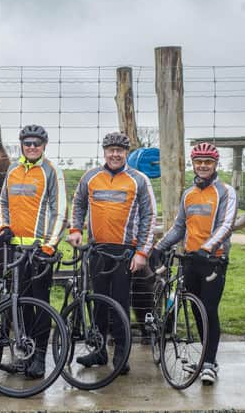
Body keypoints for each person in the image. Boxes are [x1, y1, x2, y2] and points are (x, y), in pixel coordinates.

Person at [67, 132, 157, 375]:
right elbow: (78, 203)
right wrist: (75, 228)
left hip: (125, 253)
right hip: (97, 250)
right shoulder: (91, 177)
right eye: (111, 150)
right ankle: (98, 351)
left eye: (120, 150)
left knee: (120, 305)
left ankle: (121, 356)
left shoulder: (139, 180)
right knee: (98, 304)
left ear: (126, 153)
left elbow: (149, 217)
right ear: (104, 151)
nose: (115, 154)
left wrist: (142, 253)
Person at [153, 142, 236, 385]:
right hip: (190, 261)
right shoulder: (188, 194)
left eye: (207, 162)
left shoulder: (226, 191)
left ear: (215, 164)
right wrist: (160, 247)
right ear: (193, 164)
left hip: (213, 261)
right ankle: (204, 360)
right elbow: (179, 227)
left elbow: (226, 224)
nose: (202, 166)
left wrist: (207, 248)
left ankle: (209, 364)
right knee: (196, 310)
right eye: (198, 162)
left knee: (209, 311)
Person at [0, 124, 67, 378]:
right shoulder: (13, 170)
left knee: (40, 305)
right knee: (21, 305)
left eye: (36, 143)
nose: (32, 147)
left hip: (40, 251)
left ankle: (39, 358)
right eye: (27, 143)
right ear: (22, 145)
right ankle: (23, 356)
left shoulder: (51, 171)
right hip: (17, 249)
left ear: (44, 146)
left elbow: (60, 210)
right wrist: (4, 225)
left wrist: (50, 245)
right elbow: (3, 201)